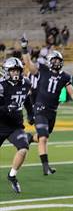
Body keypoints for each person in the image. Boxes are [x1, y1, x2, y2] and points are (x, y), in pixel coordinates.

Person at [20, 37, 73, 175]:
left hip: (52, 112)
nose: (56, 63)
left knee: (42, 136)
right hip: (40, 108)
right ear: (49, 62)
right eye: (54, 61)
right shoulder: (42, 70)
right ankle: (45, 167)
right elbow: (28, 63)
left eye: (58, 61)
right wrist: (25, 48)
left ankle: (30, 138)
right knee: (44, 137)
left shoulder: (65, 77)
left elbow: (71, 91)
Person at [0, 58, 33, 193]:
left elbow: (27, 100)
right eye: (13, 70)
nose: (15, 73)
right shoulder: (1, 85)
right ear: (7, 71)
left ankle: (12, 175)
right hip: (0, 124)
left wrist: (31, 114)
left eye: (17, 70)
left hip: (15, 125)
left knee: (23, 149)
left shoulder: (26, 83)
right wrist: (7, 108)